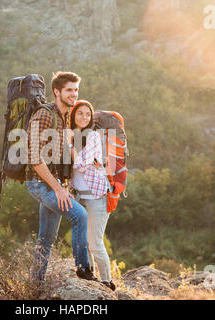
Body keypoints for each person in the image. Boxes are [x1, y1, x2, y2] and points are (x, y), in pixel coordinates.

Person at [25, 71, 96, 283]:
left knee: (46, 238)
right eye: (69, 90)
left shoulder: (64, 115)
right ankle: (84, 270)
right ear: (57, 92)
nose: (73, 94)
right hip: (40, 184)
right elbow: (34, 158)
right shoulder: (44, 114)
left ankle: (35, 282)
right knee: (80, 216)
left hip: (52, 183)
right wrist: (58, 188)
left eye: (76, 90)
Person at [67, 100, 116, 291]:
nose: (84, 117)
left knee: (95, 242)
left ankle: (107, 282)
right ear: (73, 115)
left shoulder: (94, 137)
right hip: (79, 197)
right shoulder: (70, 134)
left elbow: (81, 163)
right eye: (80, 113)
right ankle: (91, 278)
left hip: (97, 197)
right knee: (84, 241)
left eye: (88, 114)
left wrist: (69, 143)